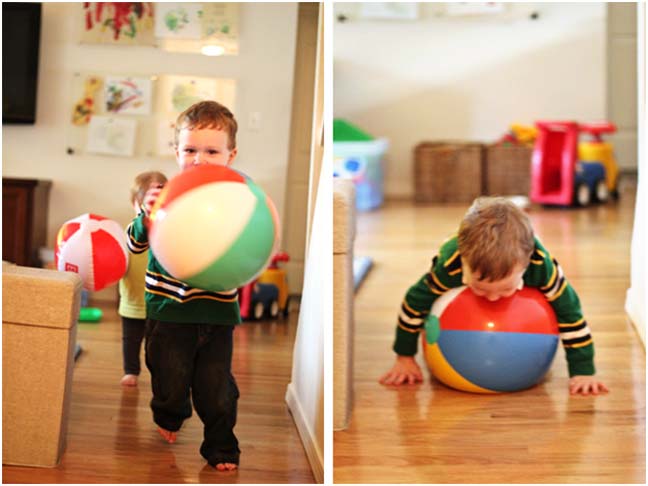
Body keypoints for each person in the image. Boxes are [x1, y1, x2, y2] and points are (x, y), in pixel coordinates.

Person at [379, 196, 610, 396]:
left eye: (506, 289)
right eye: (480, 288)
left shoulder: (543, 268)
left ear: (526, 266)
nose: (492, 299)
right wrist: (404, 356)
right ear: (465, 264)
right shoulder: (449, 266)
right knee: (424, 295)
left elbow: (571, 316)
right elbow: (413, 304)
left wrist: (583, 371)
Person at [126, 101, 241, 471]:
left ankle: (221, 446)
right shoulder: (164, 197)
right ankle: (169, 412)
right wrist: (146, 218)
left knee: (217, 389)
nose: (199, 159)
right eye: (190, 150)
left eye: (211, 151)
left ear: (230, 154)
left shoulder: (237, 201)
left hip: (217, 311)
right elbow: (134, 245)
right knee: (169, 378)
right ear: (176, 151)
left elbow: (250, 247)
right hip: (169, 310)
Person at [119, 170, 167, 387]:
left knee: (158, 344)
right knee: (130, 340)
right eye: (145, 206)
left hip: (158, 303)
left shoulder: (167, 234)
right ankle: (131, 370)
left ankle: (160, 374)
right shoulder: (130, 233)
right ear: (135, 206)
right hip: (132, 301)